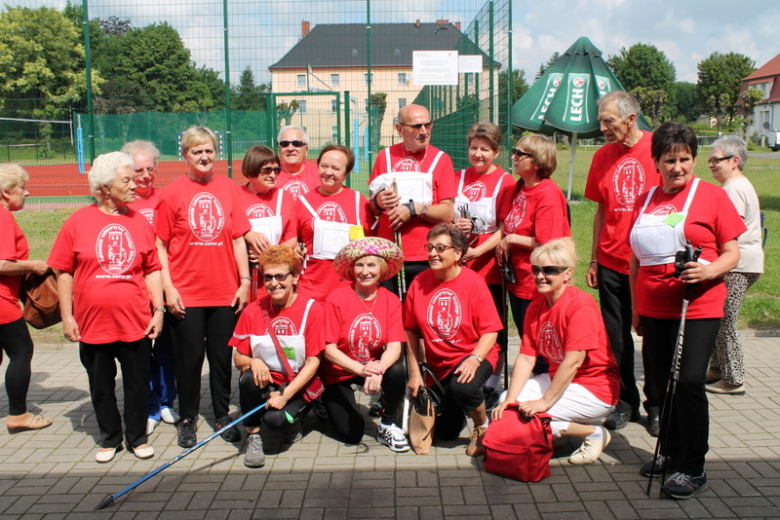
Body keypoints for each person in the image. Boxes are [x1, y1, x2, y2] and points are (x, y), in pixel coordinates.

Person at [629, 122, 745, 499]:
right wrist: (636, 308)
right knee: (661, 385)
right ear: (656, 162)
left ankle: (692, 466)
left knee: (690, 382)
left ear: (694, 160)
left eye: (685, 159)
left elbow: (732, 251)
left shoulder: (711, 196)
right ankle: (671, 451)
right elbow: (634, 259)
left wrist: (709, 270)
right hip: (653, 306)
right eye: (669, 160)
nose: (678, 167)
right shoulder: (645, 199)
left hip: (699, 304)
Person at [48, 152, 164, 462]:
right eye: (125, 180)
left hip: (135, 322)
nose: (133, 184)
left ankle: (137, 438)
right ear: (104, 186)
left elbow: (152, 269)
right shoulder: (77, 222)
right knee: (100, 386)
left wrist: (158, 310)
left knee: (138, 384)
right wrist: (67, 316)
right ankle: (110, 437)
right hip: (93, 324)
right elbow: (63, 270)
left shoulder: (139, 221)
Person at [155, 126, 252, 448]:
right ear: (184, 155)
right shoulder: (172, 192)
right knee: (189, 360)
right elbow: (161, 245)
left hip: (225, 291)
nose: (204, 157)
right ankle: (187, 418)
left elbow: (238, 238)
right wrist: (168, 288)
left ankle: (223, 415)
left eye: (209, 150)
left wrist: (245, 281)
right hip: (187, 292)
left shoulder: (229, 189)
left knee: (222, 360)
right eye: (197, 151)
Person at [492, 238, 620, 465]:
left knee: (529, 413)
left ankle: (593, 433)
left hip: (595, 388)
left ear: (567, 274)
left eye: (550, 270)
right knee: (507, 404)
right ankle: (554, 431)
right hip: (560, 380)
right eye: (536, 269)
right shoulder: (535, 306)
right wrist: (510, 398)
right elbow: (526, 357)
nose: (540, 276)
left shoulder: (581, 306)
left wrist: (544, 402)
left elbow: (573, 361)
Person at [584, 91, 662, 434]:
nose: (602, 127)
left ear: (631, 119)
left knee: (653, 337)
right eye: (601, 121)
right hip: (612, 262)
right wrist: (594, 258)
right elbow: (600, 210)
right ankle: (624, 401)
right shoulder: (602, 156)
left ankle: (657, 404)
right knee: (616, 339)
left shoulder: (658, 149)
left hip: (650, 264)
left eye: (608, 121)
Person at [404, 223, 503, 456]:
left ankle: (482, 427)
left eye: (440, 248)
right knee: (446, 433)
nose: (432, 253)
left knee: (464, 388)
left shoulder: (474, 283)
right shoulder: (418, 283)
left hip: (477, 353)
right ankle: (457, 411)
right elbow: (410, 330)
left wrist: (475, 358)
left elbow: (491, 331)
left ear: (458, 253)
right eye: (430, 247)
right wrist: (416, 373)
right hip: (440, 364)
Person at [230, 246, 324, 468]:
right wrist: (253, 361)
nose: (274, 283)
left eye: (281, 276)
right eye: (268, 277)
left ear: (295, 276)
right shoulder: (252, 310)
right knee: (247, 380)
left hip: (298, 383)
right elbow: (238, 358)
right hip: (267, 380)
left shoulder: (312, 309)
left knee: (276, 421)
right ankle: (253, 436)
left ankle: (295, 419)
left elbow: (314, 362)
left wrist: (286, 394)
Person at [322, 237, 407, 450]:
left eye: (371, 265)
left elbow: (395, 346)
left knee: (397, 371)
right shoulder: (336, 298)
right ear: (352, 269)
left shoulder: (390, 300)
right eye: (359, 265)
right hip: (339, 371)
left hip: (371, 366)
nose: (365, 271)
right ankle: (322, 400)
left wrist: (378, 370)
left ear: (382, 268)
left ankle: (387, 424)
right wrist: (362, 370)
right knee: (351, 435)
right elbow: (328, 349)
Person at [120, 140, 180, 436]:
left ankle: (167, 401)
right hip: (133, 290)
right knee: (142, 353)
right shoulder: (122, 202)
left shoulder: (166, 198)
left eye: (149, 169)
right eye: (137, 170)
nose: (144, 176)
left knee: (167, 349)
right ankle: (149, 405)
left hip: (165, 285)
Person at [368, 103, 456, 295]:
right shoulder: (385, 157)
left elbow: (448, 213)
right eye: (416, 126)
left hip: (425, 254)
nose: (424, 131)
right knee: (390, 316)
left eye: (428, 125)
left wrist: (416, 209)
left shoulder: (441, 159)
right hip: (387, 253)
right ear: (399, 129)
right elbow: (372, 209)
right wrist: (378, 202)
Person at [454, 123, 515, 395]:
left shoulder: (505, 181)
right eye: (473, 148)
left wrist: (478, 252)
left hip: (488, 266)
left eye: (485, 149)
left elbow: (504, 226)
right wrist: (457, 225)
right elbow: (448, 212)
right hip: (459, 264)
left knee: (492, 324)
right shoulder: (458, 177)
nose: (478, 154)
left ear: (496, 151)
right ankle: (463, 372)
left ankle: (492, 382)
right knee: (465, 323)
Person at [496, 134, 570, 347]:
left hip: (538, 283)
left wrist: (511, 239)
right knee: (528, 342)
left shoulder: (547, 194)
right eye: (514, 152)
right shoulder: (519, 188)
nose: (513, 157)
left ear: (538, 162)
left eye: (520, 154)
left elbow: (549, 243)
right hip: (519, 279)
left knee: (540, 347)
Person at [706, 136, 764, 395]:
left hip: (738, 265)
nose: (711, 165)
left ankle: (734, 378)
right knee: (719, 318)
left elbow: (729, 230)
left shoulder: (734, 188)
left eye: (716, 160)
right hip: (742, 263)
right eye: (709, 160)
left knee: (726, 320)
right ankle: (717, 368)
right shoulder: (735, 186)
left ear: (735, 161)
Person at [0, 164, 53, 434]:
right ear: (6, 193)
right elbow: (2, 264)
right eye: (22, 187)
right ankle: (18, 414)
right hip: (1, 302)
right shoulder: (3, 217)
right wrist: (32, 265)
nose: (27, 192)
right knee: (21, 352)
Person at [295, 145, 371, 301]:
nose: (328, 172)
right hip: (310, 291)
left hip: (350, 291)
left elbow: (371, 245)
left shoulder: (359, 202)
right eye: (324, 166)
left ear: (346, 174)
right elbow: (291, 240)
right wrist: (296, 247)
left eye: (335, 168)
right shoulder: (302, 202)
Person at [237, 145, 298, 301]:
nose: (273, 175)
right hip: (240, 279)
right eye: (266, 170)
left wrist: (269, 255)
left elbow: (291, 239)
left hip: (271, 280)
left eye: (276, 170)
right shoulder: (235, 196)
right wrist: (247, 234)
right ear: (251, 170)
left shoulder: (284, 197)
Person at [276, 126, 320, 201]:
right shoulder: (270, 175)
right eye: (284, 144)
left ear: (306, 150)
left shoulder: (320, 173)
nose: (290, 149)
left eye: (297, 143)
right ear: (279, 150)